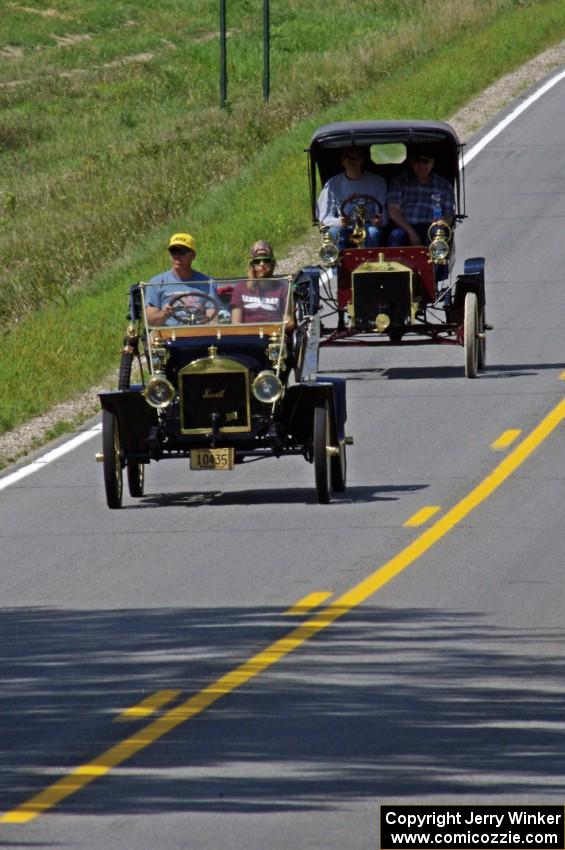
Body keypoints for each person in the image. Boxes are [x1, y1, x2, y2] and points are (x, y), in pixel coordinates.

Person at [316, 146, 387, 249]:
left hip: (368, 225)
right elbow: (324, 216)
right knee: (335, 232)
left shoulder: (378, 181)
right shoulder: (332, 184)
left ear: (362, 160)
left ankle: (370, 262)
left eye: (356, 157)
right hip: (344, 226)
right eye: (347, 156)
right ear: (342, 161)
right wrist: (339, 221)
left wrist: (378, 221)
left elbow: (382, 213)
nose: (351, 160)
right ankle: (338, 263)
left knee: (373, 233)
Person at [387, 145, 455, 247]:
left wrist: (439, 224)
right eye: (417, 161)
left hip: (432, 228)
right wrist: (411, 233)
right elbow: (393, 210)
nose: (421, 165)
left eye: (425, 161)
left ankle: (438, 263)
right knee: (397, 235)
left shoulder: (444, 185)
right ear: (411, 163)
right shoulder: (399, 181)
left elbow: (449, 214)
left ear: (432, 163)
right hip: (406, 227)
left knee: (438, 237)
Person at [145, 232, 216, 325]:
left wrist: (204, 320)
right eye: (173, 251)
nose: (177, 256)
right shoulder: (156, 283)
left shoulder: (207, 283)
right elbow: (150, 321)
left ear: (193, 255)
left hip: (199, 334)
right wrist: (164, 314)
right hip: (168, 336)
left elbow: (214, 320)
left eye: (181, 252)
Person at [230, 240, 293, 328]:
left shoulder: (283, 289)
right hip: (247, 337)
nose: (262, 264)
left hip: (274, 336)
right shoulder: (240, 288)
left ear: (272, 263)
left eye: (266, 260)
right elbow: (235, 323)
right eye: (257, 261)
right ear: (251, 264)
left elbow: (289, 322)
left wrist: (273, 328)